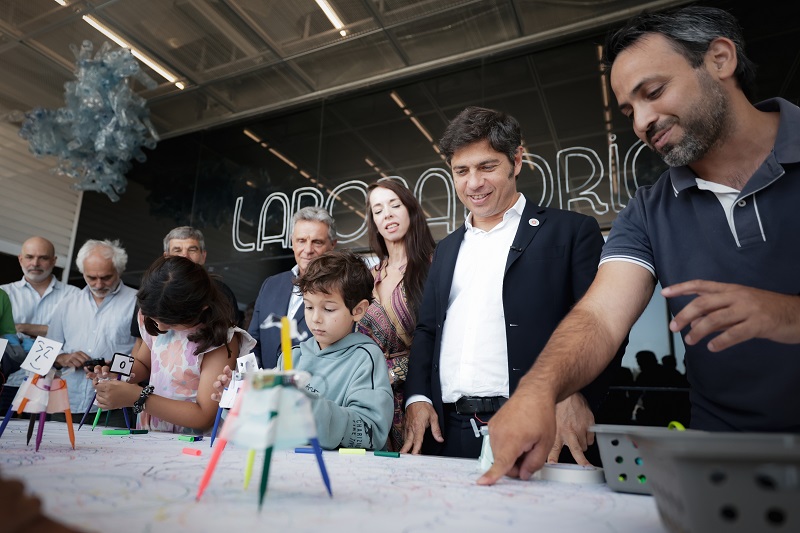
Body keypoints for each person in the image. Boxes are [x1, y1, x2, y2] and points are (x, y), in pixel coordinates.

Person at [479, 5, 800, 485]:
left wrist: (786, 315)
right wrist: (537, 392)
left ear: (719, 59)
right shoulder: (650, 209)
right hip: (728, 475)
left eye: (654, 92)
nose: (641, 121)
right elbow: (600, 317)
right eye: (629, 110)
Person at [402, 106, 622, 460]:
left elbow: (605, 323)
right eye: (462, 171)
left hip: (540, 427)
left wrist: (576, 393)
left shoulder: (572, 232)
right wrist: (418, 397)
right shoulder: (445, 249)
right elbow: (427, 330)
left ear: (516, 161)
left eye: (487, 166)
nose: (473, 183)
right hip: (448, 434)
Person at [216, 250, 394, 450]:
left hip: (344, 474)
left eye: (328, 309)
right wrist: (240, 398)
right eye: (309, 307)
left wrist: (310, 407)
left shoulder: (365, 359)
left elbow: (372, 432)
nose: (315, 318)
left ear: (358, 310)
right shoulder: (292, 357)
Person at [92, 255, 255, 433]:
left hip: (189, 441)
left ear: (202, 308)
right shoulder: (155, 319)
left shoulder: (219, 341)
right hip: (150, 430)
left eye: (170, 322)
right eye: (155, 320)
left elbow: (204, 416)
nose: (161, 327)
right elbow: (145, 364)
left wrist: (137, 398)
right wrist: (117, 372)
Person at [356, 180, 435, 451]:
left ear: (410, 209)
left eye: (394, 205)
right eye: (378, 210)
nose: (387, 214)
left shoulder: (435, 265)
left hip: (422, 399)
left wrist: (394, 371)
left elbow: (444, 338)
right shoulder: (369, 277)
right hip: (374, 404)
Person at [46, 239, 137, 420]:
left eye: (106, 277)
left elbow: (144, 354)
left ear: (119, 271)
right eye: (91, 277)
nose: (98, 284)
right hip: (66, 401)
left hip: (116, 405)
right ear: (83, 272)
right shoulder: (67, 304)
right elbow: (46, 351)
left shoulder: (138, 302)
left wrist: (116, 368)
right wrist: (63, 358)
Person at [128, 226, 241, 358]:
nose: (184, 256)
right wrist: (121, 374)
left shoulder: (221, 293)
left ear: (203, 256)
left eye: (192, 250)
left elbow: (228, 340)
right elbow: (140, 344)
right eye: (177, 250)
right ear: (166, 257)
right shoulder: (152, 290)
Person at [248, 206, 337, 369]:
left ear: (332, 245)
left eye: (317, 242)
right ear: (292, 242)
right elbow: (253, 342)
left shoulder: (340, 291)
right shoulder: (270, 285)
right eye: (301, 240)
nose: (308, 250)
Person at [0, 237, 80, 400]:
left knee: (44, 427)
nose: (35, 263)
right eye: (29, 257)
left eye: (43, 258)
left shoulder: (74, 295)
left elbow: (77, 333)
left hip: (49, 383)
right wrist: (51, 331)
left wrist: (22, 328)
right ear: (20, 259)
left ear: (54, 260)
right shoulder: (4, 293)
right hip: (8, 382)